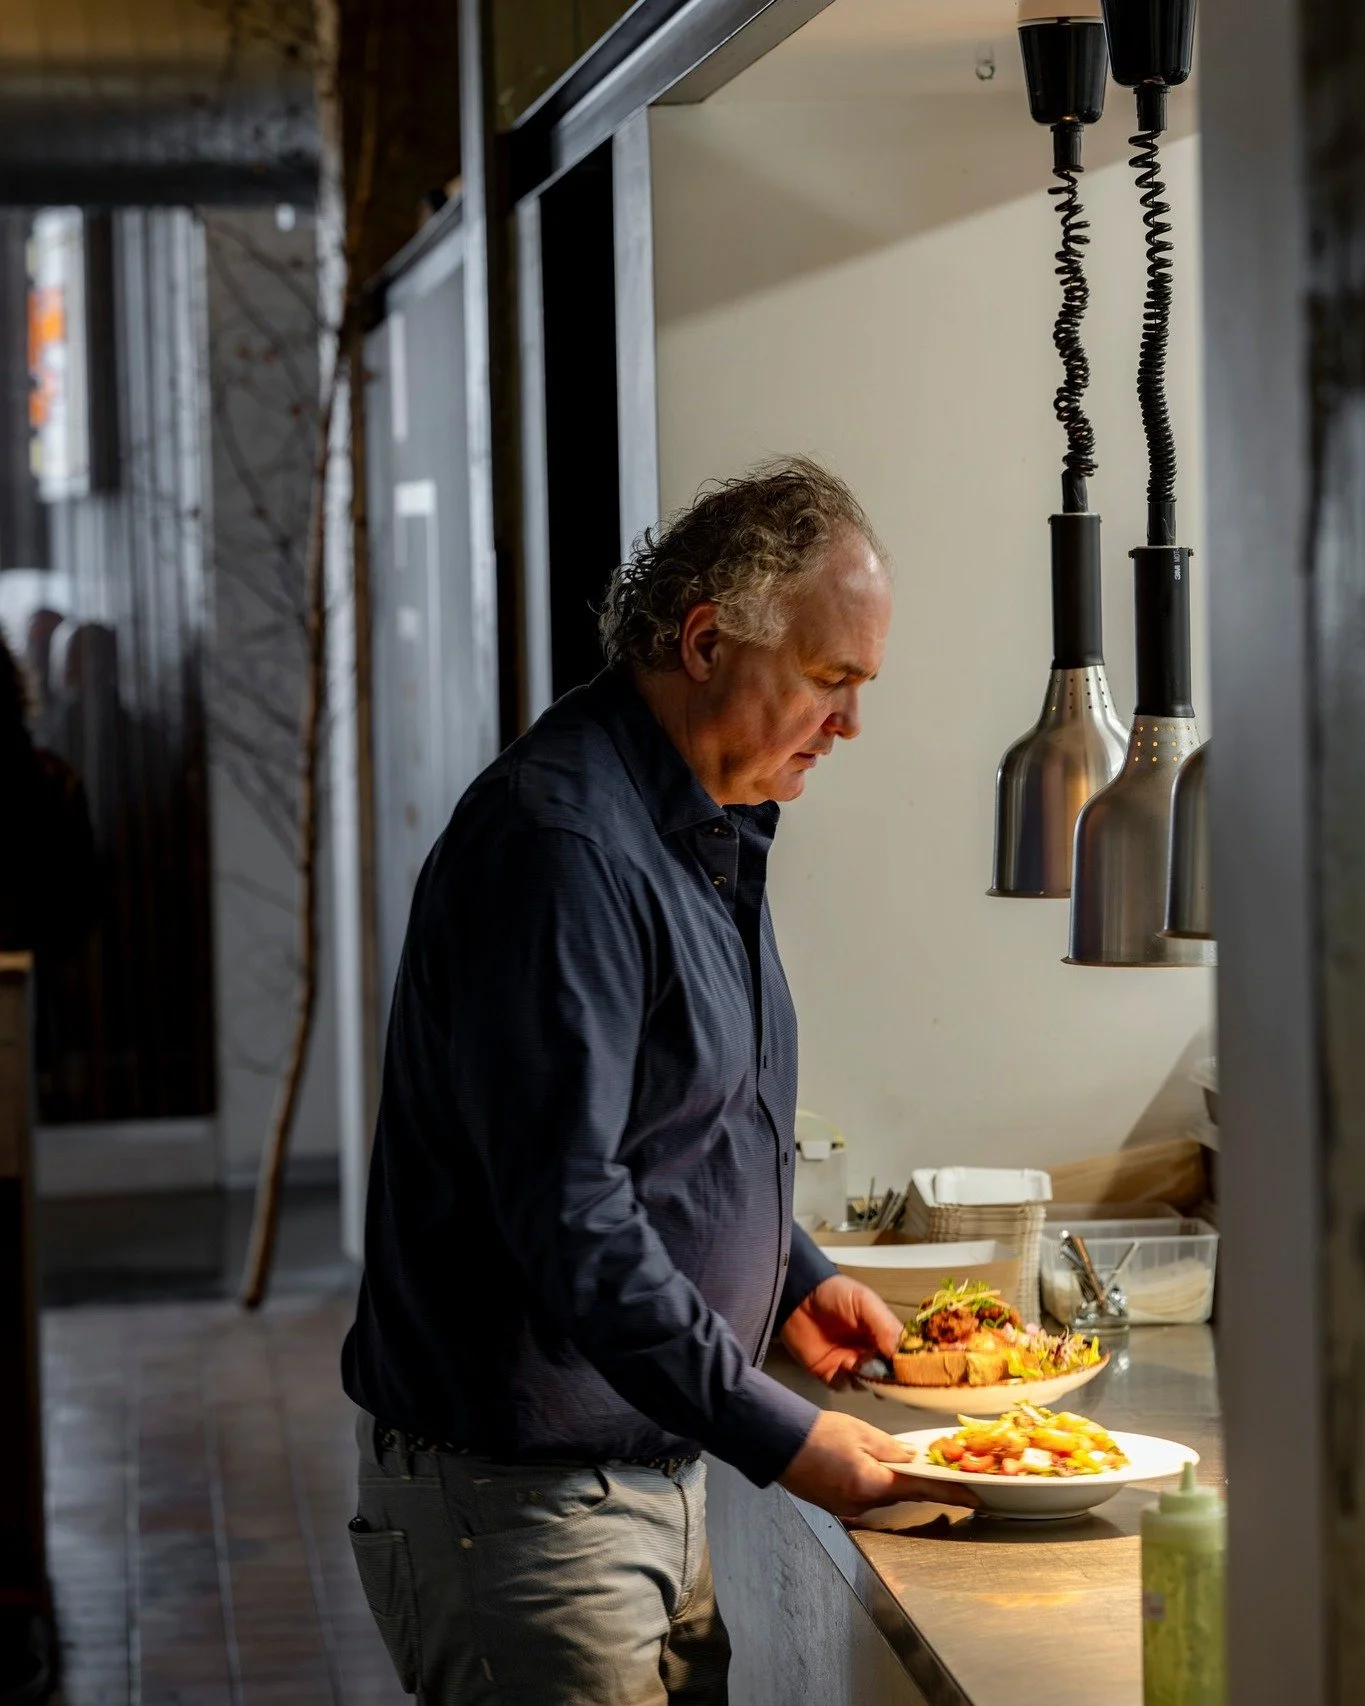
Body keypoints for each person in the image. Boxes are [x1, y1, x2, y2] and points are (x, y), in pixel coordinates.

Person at [343, 458, 949, 1705]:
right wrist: (786, 1437)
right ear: (707, 639)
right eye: (832, 682)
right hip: (524, 1511)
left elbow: (678, 1123)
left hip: (642, 1491)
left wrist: (796, 1274)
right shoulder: (559, 846)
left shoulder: (706, 821)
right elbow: (574, 1214)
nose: (850, 727)